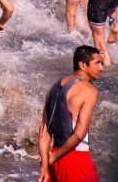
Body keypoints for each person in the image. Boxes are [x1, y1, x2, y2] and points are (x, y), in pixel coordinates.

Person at [38, 45, 104, 182]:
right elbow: (79, 134)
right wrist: (55, 157)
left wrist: (45, 165)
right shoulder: (89, 90)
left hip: (52, 160)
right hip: (75, 159)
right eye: (97, 63)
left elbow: (44, 132)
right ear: (82, 65)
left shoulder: (53, 88)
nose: (101, 68)